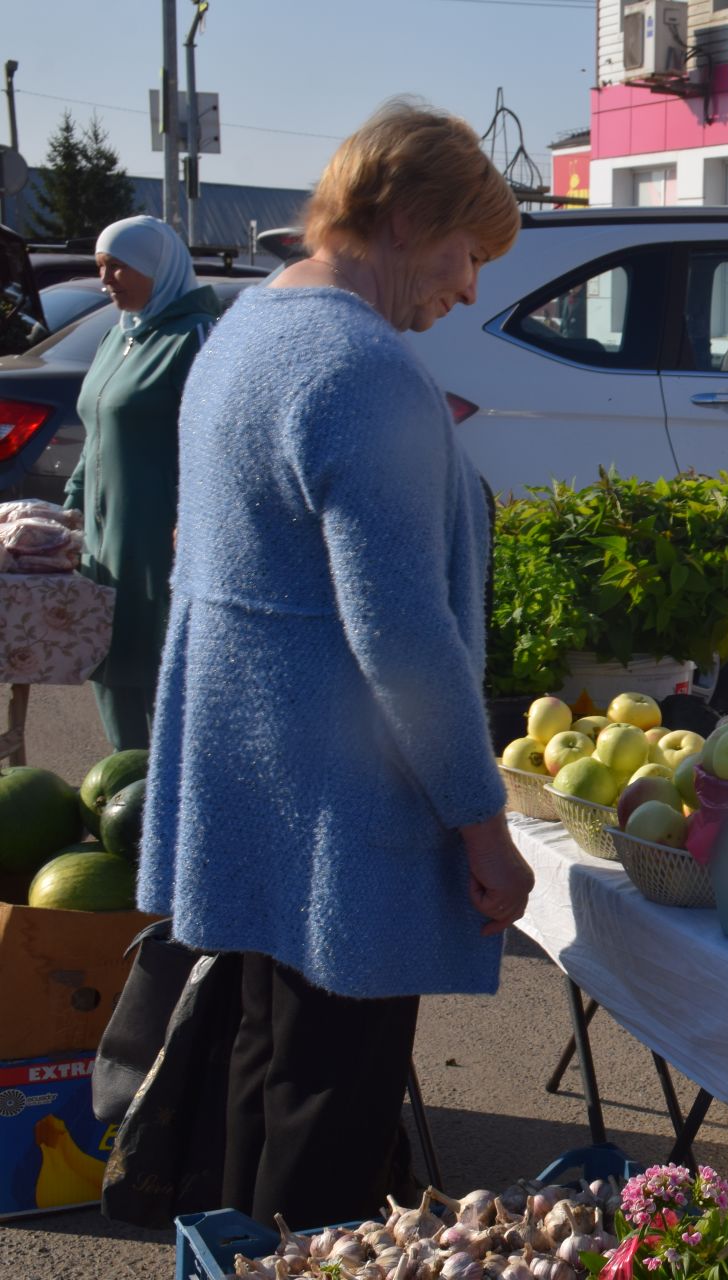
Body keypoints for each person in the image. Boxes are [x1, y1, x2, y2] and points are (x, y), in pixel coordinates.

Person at [137, 101, 533, 1226]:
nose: (466, 290)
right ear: (407, 218)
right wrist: (481, 819)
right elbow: (402, 634)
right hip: (341, 815)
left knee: (266, 1072)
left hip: (258, 785)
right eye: (465, 255)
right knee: (326, 1120)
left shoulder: (246, 330)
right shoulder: (363, 370)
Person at [65, 216, 220, 750]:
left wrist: (199, 521)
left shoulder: (193, 336)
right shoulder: (118, 336)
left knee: (168, 676)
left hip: (163, 544)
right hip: (104, 546)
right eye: (101, 268)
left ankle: (178, 811)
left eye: (119, 266)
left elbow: (217, 441)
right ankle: (128, 797)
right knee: (110, 662)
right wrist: (69, 510)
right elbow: (96, 433)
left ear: (159, 266)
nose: (107, 279)